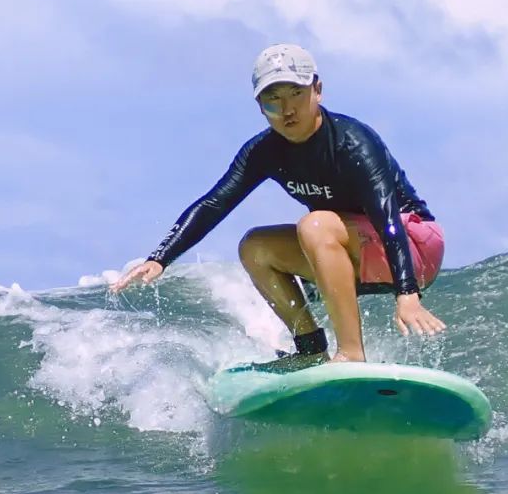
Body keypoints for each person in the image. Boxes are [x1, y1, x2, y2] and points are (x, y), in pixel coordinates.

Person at [110, 44, 446, 370]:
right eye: (273, 99)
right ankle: (311, 348)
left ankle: (351, 355)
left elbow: (387, 217)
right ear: (260, 107)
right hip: (354, 253)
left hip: (412, 248)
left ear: (318, 90)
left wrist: (407, 292)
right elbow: (215, 202)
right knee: (255, 247)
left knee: (315, 225)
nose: (286, 109)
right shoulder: (264, 152)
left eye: (295, 94)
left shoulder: (352, 142)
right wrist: (160, 258)